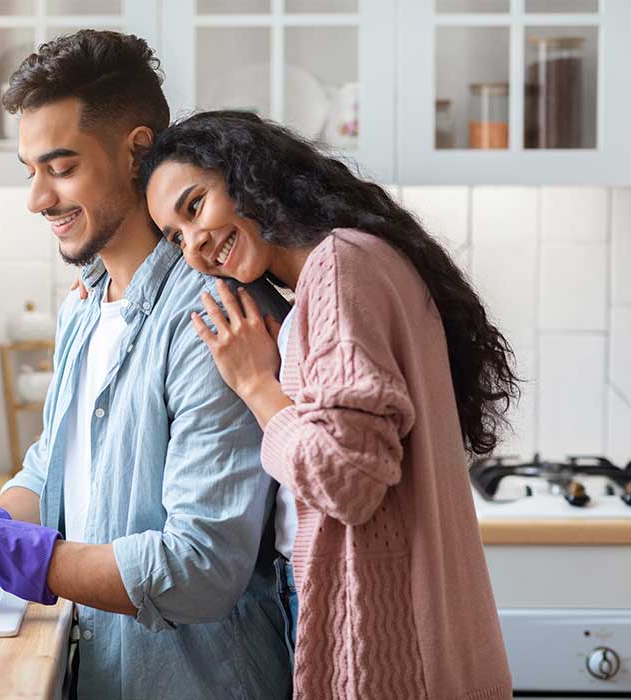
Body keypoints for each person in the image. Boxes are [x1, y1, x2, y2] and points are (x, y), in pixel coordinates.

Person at [0, 33, 291, 699]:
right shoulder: (87, 303)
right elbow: (53, 474)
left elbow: (201, 568)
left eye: (61, 168)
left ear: (137, 151)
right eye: (30, 170)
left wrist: (9, 551)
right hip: (106, 673)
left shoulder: (214, 317)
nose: (37, 198)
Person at [132, 110, 517, 699]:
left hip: (388, 632)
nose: (195, 247)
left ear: (247, 173)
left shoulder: (338, 268)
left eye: (195, 206)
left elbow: (348, 478)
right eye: (175, 237)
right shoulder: (350, 261)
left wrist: (257, 385)